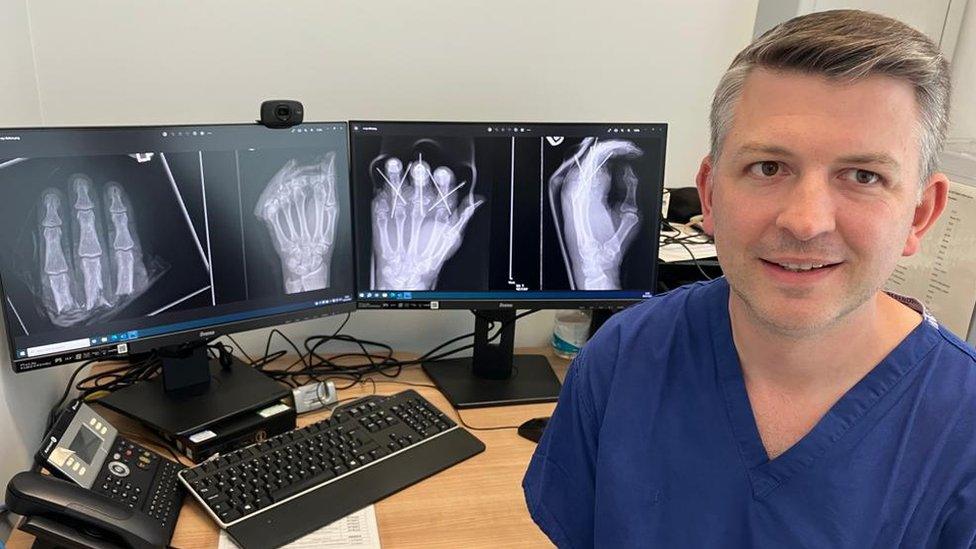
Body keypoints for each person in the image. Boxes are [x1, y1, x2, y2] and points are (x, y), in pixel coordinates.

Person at [523, 9, 976, 547]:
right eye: (768, 167)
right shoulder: (623, 357)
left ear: (920, 214)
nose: (805, 222)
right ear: (711, 194)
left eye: (863, 176)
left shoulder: (962, 430)